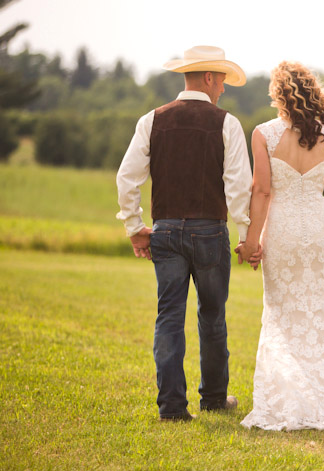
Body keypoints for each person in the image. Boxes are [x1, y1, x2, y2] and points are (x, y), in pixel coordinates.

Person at [116, 45, 253, 421]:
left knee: (169, 317)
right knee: (212, 316)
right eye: (222, 80)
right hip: (210, 231)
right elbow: (239, 185)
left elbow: (126, 178)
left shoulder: (152, 119)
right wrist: (245, 233)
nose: (223, 89)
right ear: (209, 77)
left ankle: (172, 408)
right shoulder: (226, 123)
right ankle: (212, 398)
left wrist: (134, 226)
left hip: (164, 231)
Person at [239, 61, 324, 432]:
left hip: (281, 230)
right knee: (323, 315)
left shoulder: (263, 134)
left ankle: (290, 401)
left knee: (283, 315)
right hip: (318, 231)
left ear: (277, 95)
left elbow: (263, 191)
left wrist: (252, 242)